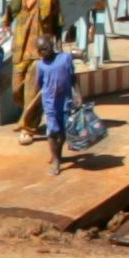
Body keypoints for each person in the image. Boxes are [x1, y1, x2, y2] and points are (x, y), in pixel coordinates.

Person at [3, 0, 57, 136]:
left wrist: (57, 47)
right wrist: (2, 30)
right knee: (16, 91)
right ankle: (32, 113)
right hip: (20, 51)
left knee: (32, 90)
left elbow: (58, 21)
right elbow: (7, 18)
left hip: (40, 51)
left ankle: (28, 127)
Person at [34, 37, 80, 173]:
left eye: (45, 48)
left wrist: (78, 95)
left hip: (65, 100)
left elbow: (73, 78)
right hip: (50, 102)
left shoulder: (65, 59)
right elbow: (39, 84)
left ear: (51, 45)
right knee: (53, 131)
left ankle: (57, 153)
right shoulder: (40, 65)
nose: (42, 52)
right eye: (39, 50)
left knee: (64, 131)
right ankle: (56, 160)